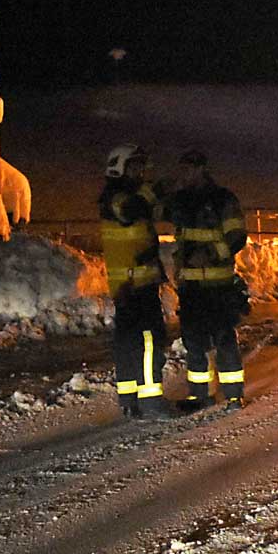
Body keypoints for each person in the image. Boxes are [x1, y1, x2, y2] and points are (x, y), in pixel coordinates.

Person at [167, 149, 251, 412]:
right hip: (191, 287)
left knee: (224, 339)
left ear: (202, 169)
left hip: (219, 285)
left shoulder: (222, 199)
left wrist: (211, 254)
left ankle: (233, 394)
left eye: (189, 169)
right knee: (194, 342)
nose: (184, 175)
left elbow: (237, 235)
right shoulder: (179, 201)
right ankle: (199, 395)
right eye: (182, 169)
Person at [99, 144, 171, 418]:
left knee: (128, 343)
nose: (141, 172)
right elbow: (132, 210)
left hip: (131, 285)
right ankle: (151, 402)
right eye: (135, 166)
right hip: (135, 286)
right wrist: (155, 190)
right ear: (119, 167)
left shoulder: (119, 196)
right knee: (150, 340)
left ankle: (129, 400)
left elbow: (154, 212)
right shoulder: (116, 198)